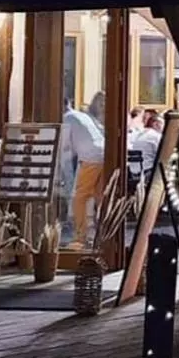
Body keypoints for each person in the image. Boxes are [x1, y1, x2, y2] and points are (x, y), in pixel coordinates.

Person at [60, 91, 106, 248]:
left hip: (90, 158)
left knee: (78, 198)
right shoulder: (81, 115)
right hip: (102, 154)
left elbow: (65, 150)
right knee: (99, 196)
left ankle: (80, 236)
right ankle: (103, 233)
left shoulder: (67, 119)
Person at [132, 109, 163, 179]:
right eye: (162, 124)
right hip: (147, 174)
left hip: (134, 174)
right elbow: (163, 154)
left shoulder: (139, 134)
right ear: (156, 124)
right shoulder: (155, 135)